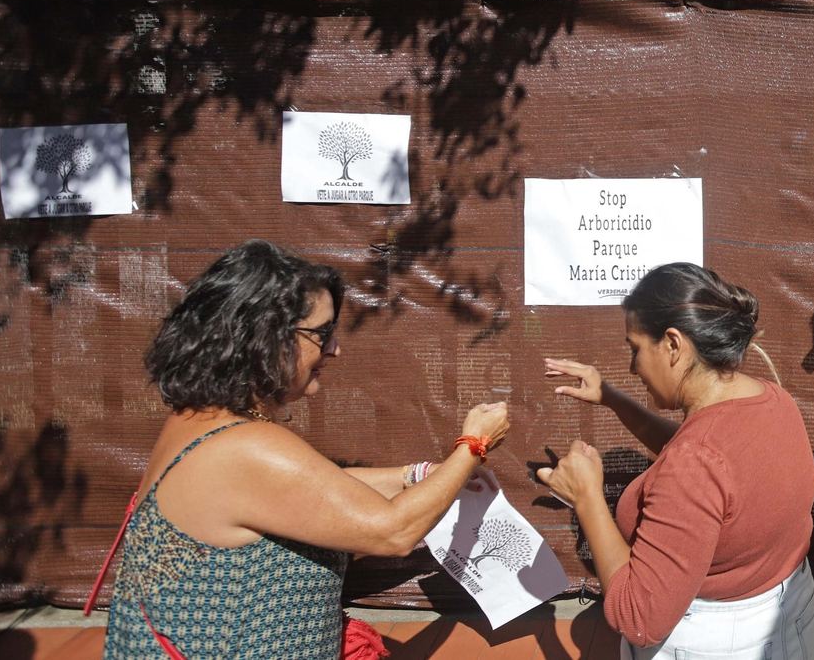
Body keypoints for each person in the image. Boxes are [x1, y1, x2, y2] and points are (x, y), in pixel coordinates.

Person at [103, 240, 509, 660]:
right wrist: (472, 446)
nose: (334, 349)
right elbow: (393, 532)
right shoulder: (244, 445)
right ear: (262, 336)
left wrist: (416, 475)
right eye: (321, 333)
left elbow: (306, 491)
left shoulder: (203, 420)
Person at [537, 262, 814, 659]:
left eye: (635, 349)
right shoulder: (772, 398)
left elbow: (639, 619)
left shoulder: (695, 464)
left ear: (673, 344)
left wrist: (586, 499)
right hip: (795, 621)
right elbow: (705, 461)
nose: (632, 366)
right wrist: (612, 397)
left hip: (713, 645)